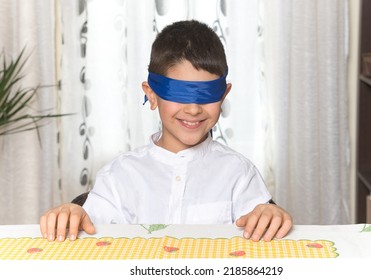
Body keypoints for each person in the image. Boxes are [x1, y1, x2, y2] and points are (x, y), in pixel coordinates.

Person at [40, 19, 292, 243]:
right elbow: (88, 226)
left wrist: (270, 214)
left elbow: (263, 222)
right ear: (151, 94)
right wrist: (73, 214)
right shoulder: (119, 176)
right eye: (179, 93)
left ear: (223, 95)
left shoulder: (240, 174)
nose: (193, 109)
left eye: (206, 94)